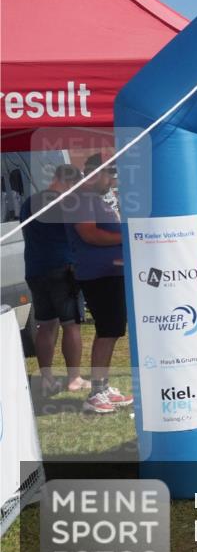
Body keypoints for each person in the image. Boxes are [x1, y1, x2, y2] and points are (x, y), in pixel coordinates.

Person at [64, 155, 133, 414]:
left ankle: (102, 387)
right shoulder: (81, 198)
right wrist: (125, 237)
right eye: (111, 176)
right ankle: (97, 392)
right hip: (98, 275)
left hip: (109, 273)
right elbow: (89, 234)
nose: (113, 182)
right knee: (107, 331)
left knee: (112, 330)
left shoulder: (93, 199)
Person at [20, 164, 88, 397]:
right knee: (71, 324)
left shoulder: (29, 202)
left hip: (35, 269)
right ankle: (74, 378)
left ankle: (47, 378)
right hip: (63, 268)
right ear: (68, 181)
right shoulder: (66, 203)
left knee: (46, 325)